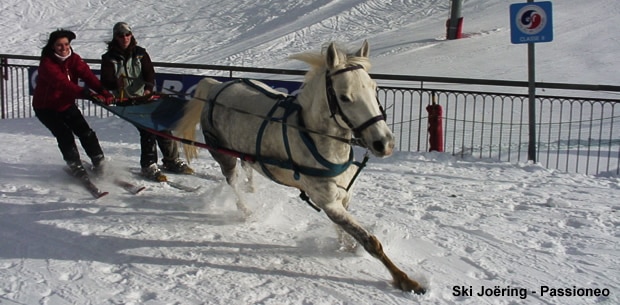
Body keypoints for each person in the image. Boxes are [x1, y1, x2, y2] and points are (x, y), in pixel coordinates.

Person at [100, 22, 193, 182]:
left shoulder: (140, 53)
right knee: (148, 129)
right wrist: (116, 84)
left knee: (162, 126)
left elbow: (149, 73)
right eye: (120, 35)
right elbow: (106, 80)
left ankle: (171, 160)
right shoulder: (109, 58)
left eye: (127, 34)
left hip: (143, 97)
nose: (125, 38)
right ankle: (148, 164)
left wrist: (149, 89)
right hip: (125, 101)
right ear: (115, 38)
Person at [32, 29, 115, 178]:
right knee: (64, 134)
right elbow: (63, 84)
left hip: (65, 104)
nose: (64, 48)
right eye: (59, 45)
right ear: (52, 46)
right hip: (46, 108)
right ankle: (75, 164)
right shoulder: (47, 64)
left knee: (86, 132)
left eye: (66, 44)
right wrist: (86, 93)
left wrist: (103, 91)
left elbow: (88, 76)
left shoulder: (74, 59)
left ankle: (99, 162)